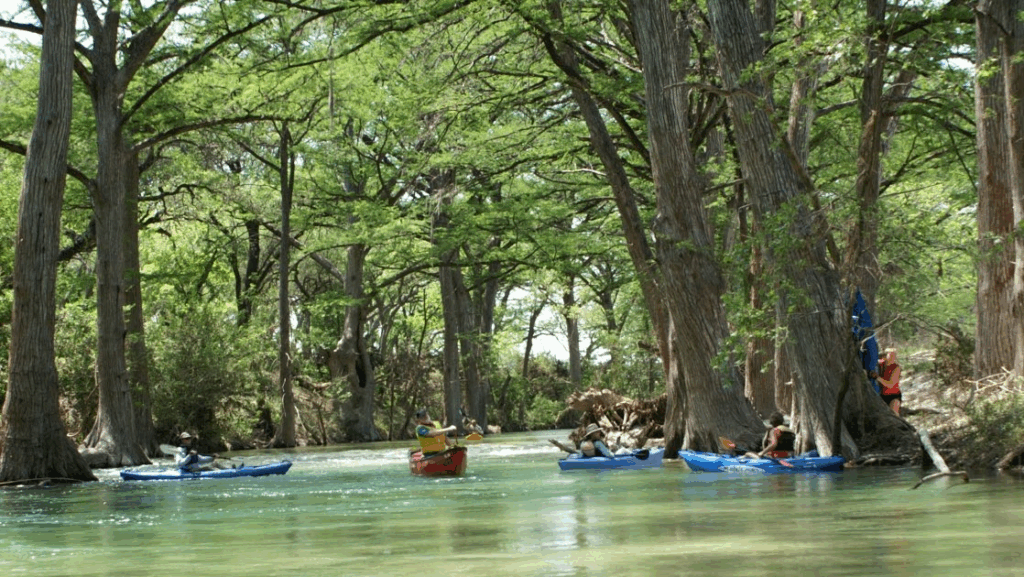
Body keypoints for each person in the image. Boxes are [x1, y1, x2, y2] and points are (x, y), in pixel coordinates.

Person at [878, 349, 902, 416]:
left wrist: (878, 378)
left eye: (894, 356)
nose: (892, 358)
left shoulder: (896, 368)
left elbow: (891, 385)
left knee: (894, 414)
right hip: (882, 395)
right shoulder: (880, 364)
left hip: (894, 395)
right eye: (890, 355)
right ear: (886, 356)